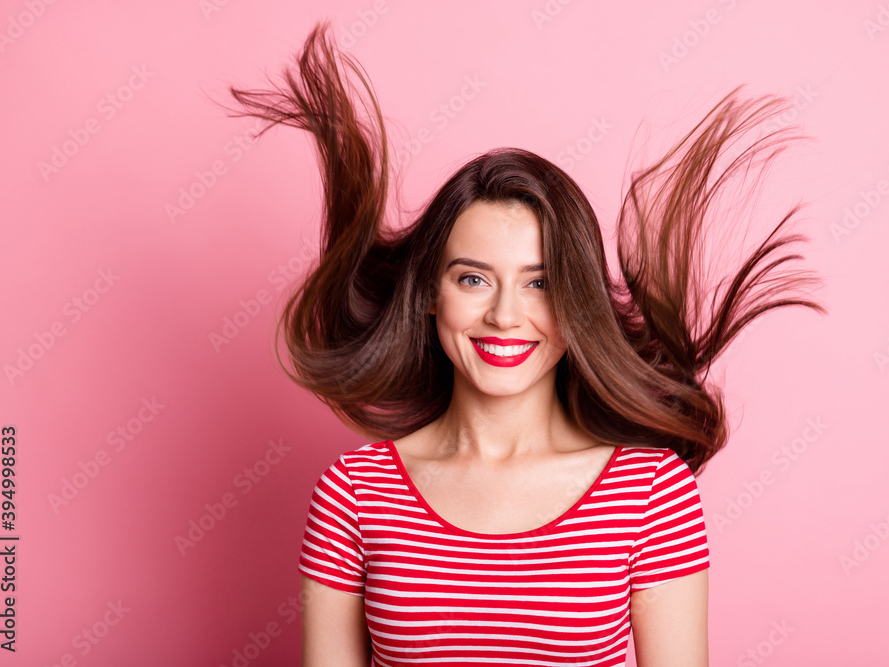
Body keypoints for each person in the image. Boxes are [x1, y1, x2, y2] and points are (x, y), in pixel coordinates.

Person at [224, 20, 826, 667]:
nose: (506, 314)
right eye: (474, 278)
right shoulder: (354, 493)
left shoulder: (651, 492)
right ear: (430, 293)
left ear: (577, 307)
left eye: (540, 282)